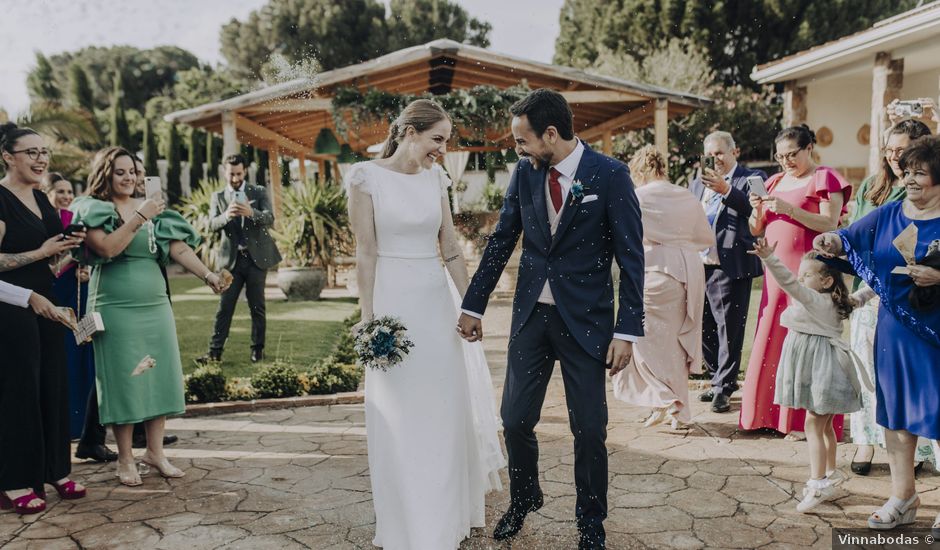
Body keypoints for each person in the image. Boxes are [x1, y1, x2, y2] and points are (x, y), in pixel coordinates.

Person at [458, 89, 645, 550]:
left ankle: (590, 522)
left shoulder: (611, 175)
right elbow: (502, 240)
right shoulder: (525, 172)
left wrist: (627, 330)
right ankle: (524, 497)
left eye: (522, 140)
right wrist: (473, 304)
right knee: (515, 419)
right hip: (531, 319)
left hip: (588, 322)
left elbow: (632, 256)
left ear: (552, 134)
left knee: (589, 427)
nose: (516, 149)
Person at [345, 98, 503, 550]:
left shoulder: (437, 178)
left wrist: (471, 305)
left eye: (447, 140)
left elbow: (451, 249)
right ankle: (404, 521)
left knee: (442, 409)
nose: (443, 148)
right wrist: (368, 317)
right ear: (409, 132)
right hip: (393, 302)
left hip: (436, 305)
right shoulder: (365, 177)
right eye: (437, 139)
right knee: (399, 412)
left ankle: (442, 518)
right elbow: (366, 252)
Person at [70, 146, 226, 486]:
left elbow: (178, 248)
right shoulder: (95, 208)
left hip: (155, 304)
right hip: (114, 305)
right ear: (106, 174)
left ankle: (155, 452)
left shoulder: (155, 211)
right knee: (125, 379)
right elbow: (107, 248)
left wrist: (209, 276)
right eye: (121, 172)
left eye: (134, 172)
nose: (130, 178)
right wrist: (140, 216)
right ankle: (125, 458)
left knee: (159, 374)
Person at [814, 135, 940, 533]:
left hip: (936, 337)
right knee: (896, 418)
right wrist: (832, 239)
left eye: (921, 173)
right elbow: (850, 239)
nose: (911, 180)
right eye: (909, 172)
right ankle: (903, 496)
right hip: (894, 334)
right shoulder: (889, 214)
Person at [740, 125, 851, 439]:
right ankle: (766, 415)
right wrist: (756, 210)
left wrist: (788, 209)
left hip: (810, 273)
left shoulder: (824, 178)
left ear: (809, 148)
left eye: (792, 154)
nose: (786, 161)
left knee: (806, 340)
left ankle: (802, 421)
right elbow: (756, 228)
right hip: (775, 273)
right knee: (773, 337)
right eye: (781, 156)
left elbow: (829, 223)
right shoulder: (773, 181)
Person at [0, 123, 87, 514]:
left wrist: (71, 253)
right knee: (20, 392)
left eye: (44, 152)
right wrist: (41, 254)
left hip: (48, 303)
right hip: (10, 308)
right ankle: (16, 481)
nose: (41, 159)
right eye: (30, 152)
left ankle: (56, 469)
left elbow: (50, 261)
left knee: (54, 385)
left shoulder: (43, 200)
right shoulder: (0, 199)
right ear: (7, 157)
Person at [749, 239, 873, 512]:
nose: (800, 279)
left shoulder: (815, 299)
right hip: (826, 367)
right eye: (801, 273)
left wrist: (770, 258)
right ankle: (830, 473)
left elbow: (788, 283)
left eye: (807, 275)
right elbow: (863, 295)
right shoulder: (840, 300)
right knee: (825, 425)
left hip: (821, 369)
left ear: (827, 281)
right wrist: (876, 280)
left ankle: (817, 483)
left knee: (812, 427)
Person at [846, 118, 938, 475]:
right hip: (871, 294)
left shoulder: (918, 196)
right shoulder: (873, 187)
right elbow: (854, 232)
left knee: (923, 392)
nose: (895, 158)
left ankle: (920, 455)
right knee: (874, 379)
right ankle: (867, 444)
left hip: (916, 302)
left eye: (902, 151)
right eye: (889, 151)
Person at [611, 145, 713, 430]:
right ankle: (672, 409)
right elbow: (704, 238)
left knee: (643, 341)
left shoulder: (637, 196)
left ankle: (665, 399)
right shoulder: (686, 195)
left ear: (639, 170)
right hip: (687, 274)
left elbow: (626, 236)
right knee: (674, 345)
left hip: (655, 271)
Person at [689, 131, 767, 413]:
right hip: (700, 264)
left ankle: (725, 386)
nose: (714, 159)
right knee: (703, 327)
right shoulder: (696, 183)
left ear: (735, 152)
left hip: (731, 264)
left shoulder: (752, 178)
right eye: (710, 154)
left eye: (720, 152)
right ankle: (715, 378)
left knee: (729, 329)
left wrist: (726, 191)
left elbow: (757, 212)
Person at [198, 154, 281, 365]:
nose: (235, 178)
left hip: (255, 260)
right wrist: (226, 215)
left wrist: (251, 212)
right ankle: (214, 353)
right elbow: (211, 224)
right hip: (230, 262)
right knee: (225, 307)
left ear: (245, 171)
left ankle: (257, 350)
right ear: (224, 172)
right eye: (231, 174)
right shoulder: (218, 196)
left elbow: (270, 218)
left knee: (257, 307)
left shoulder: (259, 191)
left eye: (239, 174)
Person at [41, 172, 97, 441]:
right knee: (63, 352)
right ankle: (66, 423)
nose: (65, 196)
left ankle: (83, 423)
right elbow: (50, 265)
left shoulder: (75, 219)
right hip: (54, 292)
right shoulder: (42, 221)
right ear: (47, 192)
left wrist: (84, 267)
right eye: (59, 191)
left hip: (78, 290)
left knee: (82, 347)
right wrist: (70, 261)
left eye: (68, 191)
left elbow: (86, 253)